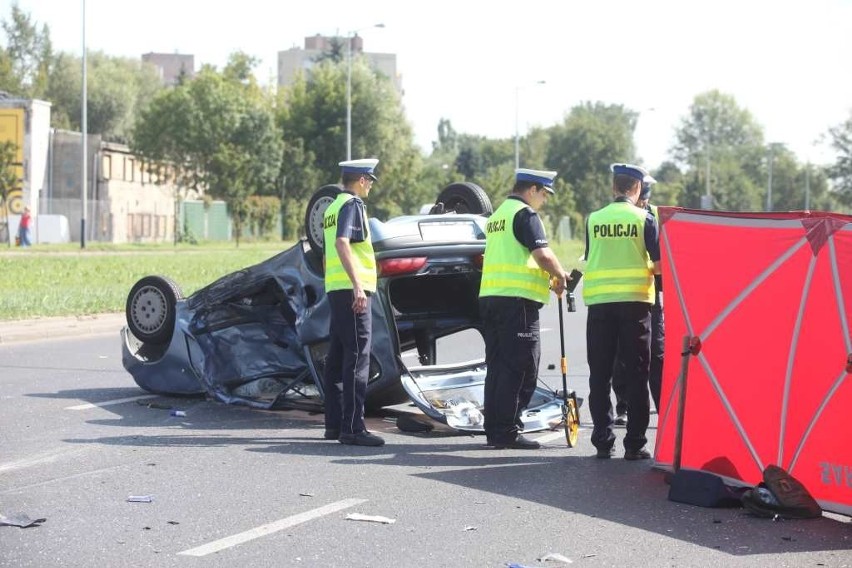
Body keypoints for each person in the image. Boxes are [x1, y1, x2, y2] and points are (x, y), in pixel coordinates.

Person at [479, 168, 572, 450]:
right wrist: (560, 276)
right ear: (532, 189)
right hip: (516, 302)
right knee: (522, 367)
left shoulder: (497, 216)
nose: (544, 200)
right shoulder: (525, 214)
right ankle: (507, 429)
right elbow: (542, 254)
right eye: (544, 194)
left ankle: (494, 429)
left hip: (492, 298)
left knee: (497, 367)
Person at [583, 163, 660, 460]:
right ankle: (635, 444)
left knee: (600, 374)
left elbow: (592, 256)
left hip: (600, 305)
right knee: (637, 373)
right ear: (637, 188)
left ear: (614, 188)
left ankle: (603, 441)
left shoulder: (593, 219)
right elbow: (659, 265)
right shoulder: (645, 219)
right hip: (636, 304)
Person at [321, 158, 384, 447]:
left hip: (336, 288)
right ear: (361, 180)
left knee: (336, 359)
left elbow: (325, 255)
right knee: (358, 358)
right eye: (369, 180)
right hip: (352, 290)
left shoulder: (331, 208)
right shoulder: (352, 205)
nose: (370, 185)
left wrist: (335, 284)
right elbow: (342, 243)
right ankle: (353, 428)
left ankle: (334, 425)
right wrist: (358, 285)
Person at [612, 174, 663, 420]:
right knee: (622, 356)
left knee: (656, 354)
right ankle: (623, 405)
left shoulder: (655, 217)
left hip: (650, 294)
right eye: (639, 200)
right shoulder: (618, 215)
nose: (641, 204)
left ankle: (664, 408)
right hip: (627, 294)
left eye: (644, 201)